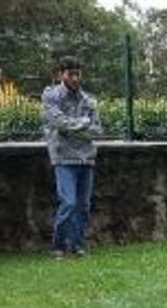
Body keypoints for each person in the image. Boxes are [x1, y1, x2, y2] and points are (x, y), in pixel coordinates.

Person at [42, 56, 102, 258]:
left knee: (83, 206)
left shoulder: (89, 99)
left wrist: (74, 128)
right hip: (63, 157)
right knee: (68, 202)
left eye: (78, 74)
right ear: (61, 75)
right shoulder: (51, 96)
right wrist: (83, 123)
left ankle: (78, 246)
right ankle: (58, 246)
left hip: (86, 158)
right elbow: (59, 123)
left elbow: (97, 130)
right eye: (71, 74)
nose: (75, 78)